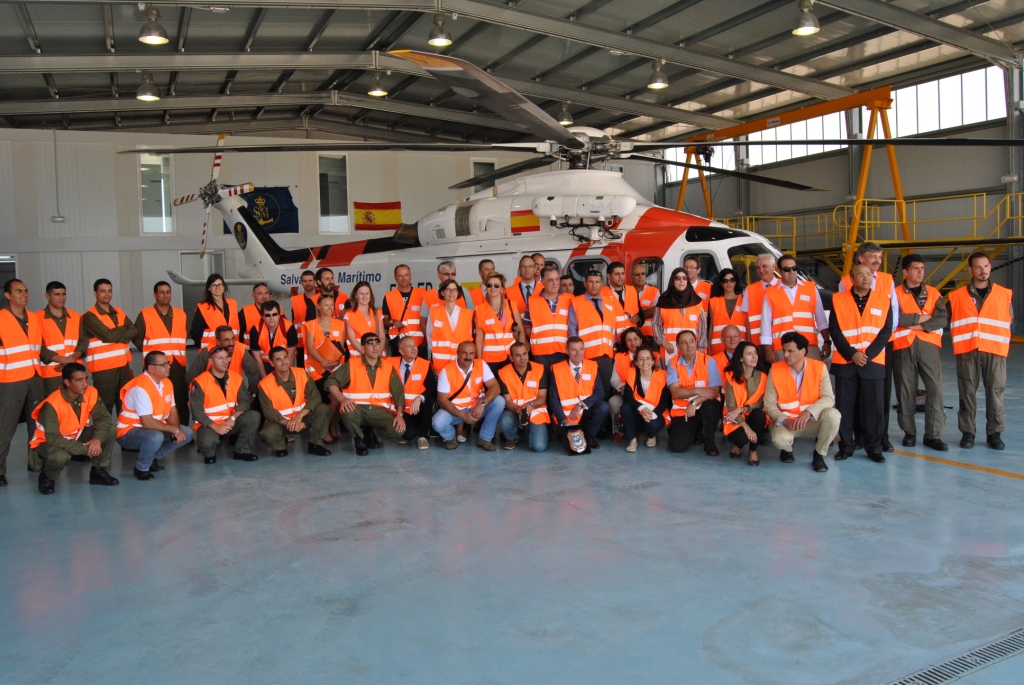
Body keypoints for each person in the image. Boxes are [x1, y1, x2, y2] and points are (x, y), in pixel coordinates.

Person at [839, 242, 900, 452]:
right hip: (850, 354)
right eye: (873, 256)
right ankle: (855, 438)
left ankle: (880, 439)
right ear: (860, 258)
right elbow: (841, 319)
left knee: (879, 398)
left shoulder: (887, 280)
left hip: (878, 350)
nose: (877, 261)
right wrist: (853, 353)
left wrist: (872, 351)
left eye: (880, 258)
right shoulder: (844, 284)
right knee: (851, 401)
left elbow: (892, 316)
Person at [830, 263, 893, 464]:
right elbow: (835, 331)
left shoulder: (884, 300)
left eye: (869, 275)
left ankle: (874, 447)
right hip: (846, 362)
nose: (866, 278)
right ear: (852, 279)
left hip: (873, 362)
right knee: (844, 408)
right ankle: (846, 446)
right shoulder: (838, 299)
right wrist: (852, 354)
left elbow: (886, 331)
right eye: (861, 275)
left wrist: (867, 354)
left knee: (874, 408)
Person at [949, 251, 1012, 450]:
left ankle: (995, 433)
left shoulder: (1004, 294)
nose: (982, 270)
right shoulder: (957, 296)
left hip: (995, 350)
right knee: (967, 392)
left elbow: (1008, 319)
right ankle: (968, 433)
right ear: (970, 270)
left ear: (990, 267)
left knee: (995, 392)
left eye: (985, 266)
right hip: (967, 350)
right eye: (978, 267)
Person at [30, 363, 119, 494]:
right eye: (79, 380)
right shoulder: (52, 404)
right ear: (67, 382)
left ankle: (98, 471)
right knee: (60, 456)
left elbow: (104, 419)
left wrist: (97, 440)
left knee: (110, 430)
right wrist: (87, 449)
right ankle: (47, 477)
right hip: (48, 442)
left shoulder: (90, 392)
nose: (84, 384)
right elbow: (53, 438)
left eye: (86, 378)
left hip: (74, 435)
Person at [892, 254, 948, 451]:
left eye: (922, 268)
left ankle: (933, 435)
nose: (920, 272)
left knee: (935, 389)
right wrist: (925, 318)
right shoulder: (895, 293)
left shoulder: (933, 293)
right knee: (906, 390)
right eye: (916, 269)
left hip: (928, 346)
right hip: (903, 347)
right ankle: (910, 432)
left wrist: (918, 326)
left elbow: (942, 319)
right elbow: (897, 318)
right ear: (905, 272)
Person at [764, 332, 841, 472]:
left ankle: (819, 455)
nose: (785, 355)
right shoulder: (775, 370)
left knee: (834, 415)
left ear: (803, 351)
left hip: (810, 420)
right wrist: (784, 420)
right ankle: (787, 449)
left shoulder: (819, 367)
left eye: (790, 351)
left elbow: (829, 398)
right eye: (784, 350)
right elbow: (769, 404)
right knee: (779, 440)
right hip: (788, 423)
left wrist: (808, 412)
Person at [116, 351, 194, 480]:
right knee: (155, 437)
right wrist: (174, 429)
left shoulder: (166, 383)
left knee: (187, 433)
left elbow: (172, 410)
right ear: (151, 368)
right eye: (164, 365)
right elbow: (147, 422)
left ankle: (152, 457)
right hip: (128, 432)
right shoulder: (140, 388)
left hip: (151, 429)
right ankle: (141, 468)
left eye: (168, 363)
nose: (169, 367)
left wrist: (177, 431)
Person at [327, 332, 406, 456]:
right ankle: (359, 440)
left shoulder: (388, 367)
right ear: (363, 348)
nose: (375, 347)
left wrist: (400, 414)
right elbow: (331, 382)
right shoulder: (352, 365)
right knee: (347, 411)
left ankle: (374, 435)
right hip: (357, 409)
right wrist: (342, 399)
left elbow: (398, 392)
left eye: (377, 343)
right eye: (370, 344)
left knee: (399, 430)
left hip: (380, 411)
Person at [0, 279, 44, 487]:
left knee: (36, 425)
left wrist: (63, 360)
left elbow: (39, 349)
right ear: (7, 295)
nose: (24, 295)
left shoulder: (34, 318)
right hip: (10, 381)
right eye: (19, 291)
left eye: (26, 291)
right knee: (5, 428)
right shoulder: (1, 319)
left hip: (35, 378)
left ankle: (35, 463)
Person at [190, 346, 260, 464]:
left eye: (227, 357)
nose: (225, 361)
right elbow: (196, 411)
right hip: (210, 424)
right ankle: (209, 453)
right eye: (220, 358)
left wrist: (233, 418)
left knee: (254, 416)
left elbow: (244, 401)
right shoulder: (199, 382)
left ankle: (242, 451)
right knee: (207, 443)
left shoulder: (236, 377)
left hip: (230, 421)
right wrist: (215, 426)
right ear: (211, 362)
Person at [257, 346, 331, 457]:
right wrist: (289, 423)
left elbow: (315, 397)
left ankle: (315, 445)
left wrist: (298, 417)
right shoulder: (264, 384)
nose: (284, 362)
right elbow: (269, 412)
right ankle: (280, 446)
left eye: (285, 357)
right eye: (278, 359)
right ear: (272, 363)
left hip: (303, 419)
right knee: (268, 433)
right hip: (282, 423)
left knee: (323, 409)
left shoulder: (302, 374)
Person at [134, 281, 189, 425]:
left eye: (168, 292)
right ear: (155, 295)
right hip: (155, 366)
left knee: (179, 397)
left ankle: (181, 429)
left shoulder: (180, 314)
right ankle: (156, 427)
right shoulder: (145, 315)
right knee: (153, 396)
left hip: (177, 364)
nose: (165, 295)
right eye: (161, 292)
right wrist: (149, 352)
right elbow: (136, 337)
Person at [432, 341, 505, 451]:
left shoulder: (481, 364)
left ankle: (485, 438)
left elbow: (495, 387)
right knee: (437, 422)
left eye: (471, 353)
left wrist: (482, 404)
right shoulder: (446, 370)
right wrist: (462, 415)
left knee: (499, 401)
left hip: (476, 407)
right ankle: (451, 437)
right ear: (457, 353)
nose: (468, 357)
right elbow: (442, 400)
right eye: (464, 353)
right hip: (456, 410)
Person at [760, 255, 831, 361]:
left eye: (794, 268)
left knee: (813, 376)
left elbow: (821, 319)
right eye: (787, 269)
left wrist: (827, 341)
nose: (792, 272)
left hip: (808, 345)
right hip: (782, 348)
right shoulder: (770, 293)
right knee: (785, 377)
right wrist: (768, 350)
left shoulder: (810, 288)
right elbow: (765, 325)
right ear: (779, 271)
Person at [569, 271, 627, 398]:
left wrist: (617, 348)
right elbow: (572, 330)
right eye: (590, 282)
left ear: (602, 283)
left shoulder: (609, 301)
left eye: (597, 282)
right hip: (586, 356)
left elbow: (614, 327)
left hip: (606, 355)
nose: (594, 285)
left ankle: (604, 416)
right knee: (587, 391)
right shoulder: (576, 302)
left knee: (605, 390)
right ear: (585, 284)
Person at [83, 278, 136, 412]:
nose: (107, 294)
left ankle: (124, 432)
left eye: (109, 291)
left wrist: (116, 335)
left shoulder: (119, 311)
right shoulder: (90, 316)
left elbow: (134, 329)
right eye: (102, 291)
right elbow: (108, 336)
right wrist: (123, 331)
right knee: (104, 407)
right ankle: (103, 433)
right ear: (95, 293)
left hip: (123, 367)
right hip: (104, 370)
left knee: (125, 404)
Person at [548, 337, 610, 452]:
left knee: (604, 406)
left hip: (585, 411)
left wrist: (581, 404)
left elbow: (600, 392)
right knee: (568, 447)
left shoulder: (592, 366)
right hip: (566, 417)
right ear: (567, 351)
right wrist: (564, 421)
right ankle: (564, 432)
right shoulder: (557, 369)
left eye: (581, 349)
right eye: (574, 350)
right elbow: (553, 400)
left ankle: (589, 435)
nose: (578, 353)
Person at [667, 330, 722, 455]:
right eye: (684, 343)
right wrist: (697, 390)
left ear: (696, 342)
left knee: (711, 406)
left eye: (692, 341)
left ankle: (710, 442)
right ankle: (695, 431)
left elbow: (714, 391)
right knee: (677, 446)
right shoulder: (672, 363)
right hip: (683, 410)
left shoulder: (708, 361)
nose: (689, 345)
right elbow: (675, 392)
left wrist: (694, 401)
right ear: (678, 346)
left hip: (703, 405)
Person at [303, 293, 346, 441]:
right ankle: (324, 429)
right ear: (319, 307)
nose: (329, 308)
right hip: (317, 370)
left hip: (335, 368)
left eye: (331, 304)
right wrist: (323, 361)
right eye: (326, 305)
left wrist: (335, 362)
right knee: (332, 399)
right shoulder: (310, 325)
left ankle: (332, 425)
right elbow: (310, 347)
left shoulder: (340, 324)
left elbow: (340, 346)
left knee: (341, 398)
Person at [722, 341, 769, 466]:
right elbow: (731, 407)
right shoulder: (730, 376)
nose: (754, 357)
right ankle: (738, 445)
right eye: (749, 354)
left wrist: (743, 409)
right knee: (741, 438)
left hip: (752, 414)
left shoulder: (763, 376)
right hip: (735, 418)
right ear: (741, 358)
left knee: (759, 415)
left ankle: (753, 450)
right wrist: (746, 427)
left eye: (755, 353)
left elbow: (761, 403)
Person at [497, 341, 549, 452]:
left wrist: (530, 405)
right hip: (514, 411)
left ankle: (528, 432)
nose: (522, 358)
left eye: (524, 353)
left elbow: (542, 397)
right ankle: (512, 438)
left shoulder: (539, 369)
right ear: (511, 358)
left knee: (539, 447)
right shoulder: (503, 373)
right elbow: (508, 401)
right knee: (506, 420)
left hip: (535, 411)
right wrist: (520, 410)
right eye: (518, 355)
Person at [36, 281, 87, 394]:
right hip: (51, 373)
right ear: (47, 296)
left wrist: (70, 361)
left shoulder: (75, 316)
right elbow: (37, 346)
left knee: (76, 406)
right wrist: (63, 361)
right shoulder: (36, 318)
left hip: (75, 372)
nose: (61, 298)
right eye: (57, 294)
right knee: (54, 407)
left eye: (63, 294)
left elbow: (83, 341)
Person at [387, 335, 436, 450]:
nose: (414, 348)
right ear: (401, 351)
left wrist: (420, 398)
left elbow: (432, 388)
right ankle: (408, 433)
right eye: (409, 346)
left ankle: (423, 437)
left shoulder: (425, 364)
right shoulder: (390, 363)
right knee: (409, 435)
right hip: (399, 408)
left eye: (415, 345)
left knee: (429, 400)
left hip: (418, 407)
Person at [620, 346, 670, 453]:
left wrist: (652, 414)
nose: (644, 362)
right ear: (636, 362)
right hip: (638, 413)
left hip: (655, 413)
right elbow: (627, 397)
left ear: (653, 361)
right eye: (641, 359)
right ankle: (632, 440)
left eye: (648, 358)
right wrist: (642, 409)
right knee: (625, 407)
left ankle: (651, 435)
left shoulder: (662, 375)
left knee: (654, 425)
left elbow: (665, 401)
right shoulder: (631, 373)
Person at [186, 325, 261, 393]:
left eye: (233, 339)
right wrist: (196, 396)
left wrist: (252, 394)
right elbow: (190, 377)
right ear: (218, 342)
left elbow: (254, 373)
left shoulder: (240, 349)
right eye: (226, 340)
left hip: (234, 392)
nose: (231, 343)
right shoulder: (208, 352)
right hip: (213, 394)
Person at [475, 272, 524, 374]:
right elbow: (479, 339)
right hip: (490, 359)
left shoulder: (511, 304)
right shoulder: (480, 309)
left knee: (509, 388)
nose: (493, 288)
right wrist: (479, 361)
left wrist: (521, 353)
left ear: (502, 289)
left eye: (496, 285)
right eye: (489, 285)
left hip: (510, 356)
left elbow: (521, 330)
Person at [425, 278, 475, 373]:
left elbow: (469, 337)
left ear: (458, 292)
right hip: (440, 363)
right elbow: (429, 336)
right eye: (448, 289)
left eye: (454, 290)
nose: (452, 292)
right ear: (443, 292)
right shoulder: (434, 311)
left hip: (460, 362)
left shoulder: (467, 314)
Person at [655, 268, 707, 357]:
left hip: (693, 349)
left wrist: (701, 346)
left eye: (684, 278)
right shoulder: (663, 301)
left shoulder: (696, 301)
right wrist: (663, 342)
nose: (681, 281)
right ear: (672, 280)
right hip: (669, 349)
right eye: (677, 278)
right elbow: (656, 324)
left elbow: (703, 325)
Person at [529, 266, 573, 366]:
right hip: (540, 354)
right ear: (542, 282)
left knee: (561, 381)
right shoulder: (532, 301)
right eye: (550, 280)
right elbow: (527, 329)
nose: (555, 283)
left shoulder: (571, 299)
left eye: (557, 279)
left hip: (564, 351)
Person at [738, 254, 778, 360]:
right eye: (758, 267)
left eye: (764, 266)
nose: (761, 270)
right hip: (758, 343)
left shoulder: (783, 286)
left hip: (780, 341)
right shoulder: (750, 290)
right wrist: (749, 342)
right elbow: (746, 317)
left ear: (773, 266)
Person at [383, 264, 427, 358]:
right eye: (400, 276)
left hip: (419, 345)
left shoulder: (423, 294)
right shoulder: (389, 296)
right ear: (395, 278)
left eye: (406, 275)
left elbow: (430, 319)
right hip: (399, 346)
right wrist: (392, 322)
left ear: (410, 276)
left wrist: (426, 341)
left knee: (420, 371)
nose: (404, 278)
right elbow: (385, 321)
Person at [609, 327, 644, 440]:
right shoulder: (619, 357)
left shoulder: (652, 355)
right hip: (626, 394)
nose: (633, 342)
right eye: (629, 340)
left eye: (635, 339)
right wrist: (621, 387)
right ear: (625, 342)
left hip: (647, 396)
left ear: (641, 340)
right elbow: (614, 380)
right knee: (613, 402)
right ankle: (619, 430)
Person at [190, 273, 239, 349]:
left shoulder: (233, 304)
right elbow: (195, 332)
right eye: (214, 285)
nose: (217, 288)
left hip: (232, 349)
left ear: (224, 286)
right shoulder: (203, 307)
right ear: (209, 288)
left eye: (219, 284)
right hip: (212, 351)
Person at [249, 300, 297, 377]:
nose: (271, 318)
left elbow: (291, 355)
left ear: (279, 315)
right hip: (265, 364)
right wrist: (264, 378)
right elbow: (257, 358)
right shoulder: (255, 330)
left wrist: (288, 376)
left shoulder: (289, 327)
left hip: (284, 362)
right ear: (262, 316)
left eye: (274, 314)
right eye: (267, 315)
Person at [708, 268, 747, 355]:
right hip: (718, 345)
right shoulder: (713, 301)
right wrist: (708, 347)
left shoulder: (744, 299)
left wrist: (749, 343)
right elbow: (711, 327)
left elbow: (747, 324)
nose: (729, 283)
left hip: (740, 344)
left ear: (736, 281)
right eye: (725, 281)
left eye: (732, 280)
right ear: (721, 283)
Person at [344, 281, 386, 359]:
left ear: (370, 295)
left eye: (367, 293)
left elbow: (382, 337)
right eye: (361, 294)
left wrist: (377, 354)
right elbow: (352, 339)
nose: (364, 296)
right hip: (358, 356)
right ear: (356, 295)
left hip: (378, 357)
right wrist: (367, 354)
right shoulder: (349, 314)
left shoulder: (378, 313)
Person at [602, 262, 643, 329]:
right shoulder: (602, 293)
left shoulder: (633, 290)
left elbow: (640, 314)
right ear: (609, 276)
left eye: (623, 273)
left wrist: (639, 318)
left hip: (631, 336)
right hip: (613, 337)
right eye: (617, 274)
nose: (621, 277)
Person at [504, 256, 539, 331]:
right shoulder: (508, 291)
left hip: (539, 337)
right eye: (524, 266)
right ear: (519, 270)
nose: (527, 269)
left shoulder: (544, 289)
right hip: (518, 336)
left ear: (535, 269)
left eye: (530, 266)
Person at [631, 262, 660, 339]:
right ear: (631, 277)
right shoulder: (626, 291)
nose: (640, 276)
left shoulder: (654, 291)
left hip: (649, 335)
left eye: (643, 274)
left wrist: (639, 314)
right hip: (632, 335)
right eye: (637, 274)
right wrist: (647, 310)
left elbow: (657, 310)